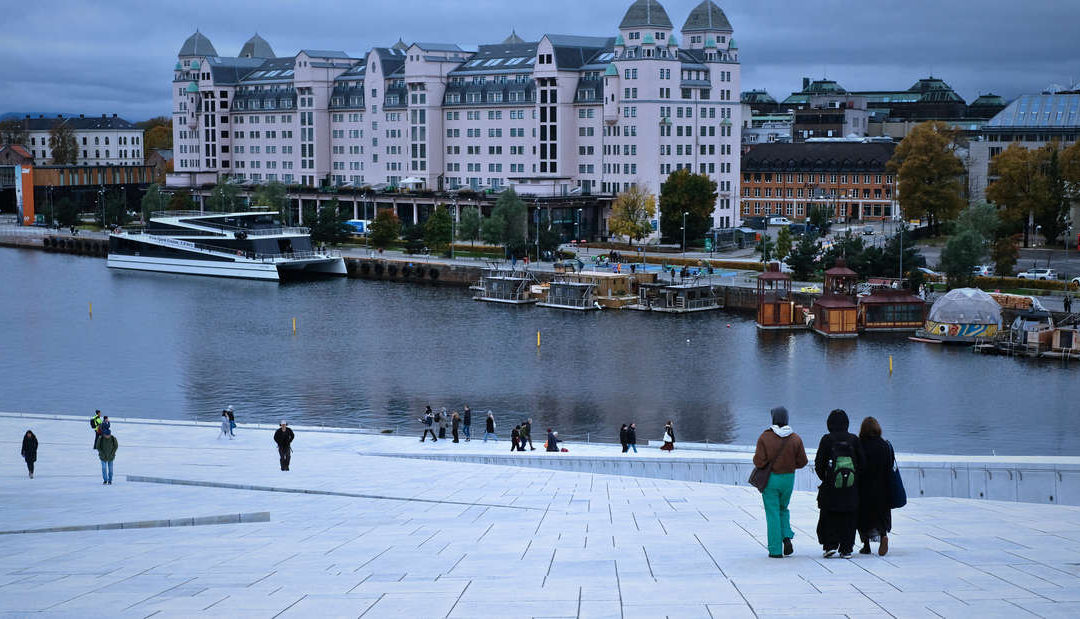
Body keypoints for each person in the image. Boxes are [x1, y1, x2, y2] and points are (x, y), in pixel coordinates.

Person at [753, 407, 809, 558]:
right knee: (783, 508)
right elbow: (803, 461)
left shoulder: (765, 437)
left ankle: (775, 550)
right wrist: (790, 464)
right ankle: (786, 536)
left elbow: (758, 461)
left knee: (772, 513)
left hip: (771, 479)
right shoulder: (795, 438)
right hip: (788, 479)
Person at [815, 409, 864, 558]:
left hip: (831, 487)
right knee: (849, 516)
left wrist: (826, 478)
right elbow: (862, 463)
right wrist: (854, 479)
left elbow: (819, 464)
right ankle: (846, 548)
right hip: (850, 487)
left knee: (829, 514)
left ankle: (830, 545)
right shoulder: (854, 440)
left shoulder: (827, 439)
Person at [857, 417, 893, 556]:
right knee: (880, 515)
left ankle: (866, 545)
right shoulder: (884, 445)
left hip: (864, 488)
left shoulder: (860, 444)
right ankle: (883, 535)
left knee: (863, 517)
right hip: (882, 488)